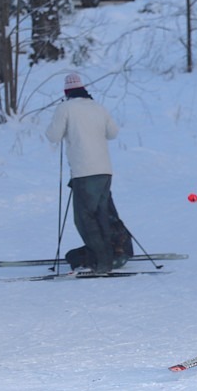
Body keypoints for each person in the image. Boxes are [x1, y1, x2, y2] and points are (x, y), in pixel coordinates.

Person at [46, 73, 134, 273]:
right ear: (83, 89)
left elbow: (53, 135)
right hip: (105, 171)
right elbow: (113, 133)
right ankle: (108, 256)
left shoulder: (66, 107)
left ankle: (102, 262)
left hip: (84, 172)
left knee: (85, 219)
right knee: (102, 215)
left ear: (66, 92)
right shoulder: (98, 107)